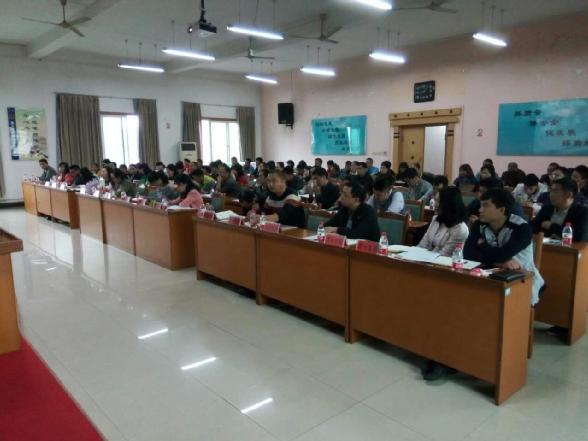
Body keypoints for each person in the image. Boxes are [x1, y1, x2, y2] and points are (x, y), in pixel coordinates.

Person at [464, 188, 544, 307]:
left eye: (485, 206)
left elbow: (502, 254)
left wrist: (483, 245)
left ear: (501, 209)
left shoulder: (521, 228)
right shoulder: (479, 224)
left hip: (523, 280)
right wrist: (499, 263)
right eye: (480, 205)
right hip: (489, 276)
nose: (480, 210)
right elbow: (468, 254)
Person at [532, 177, 588, 241]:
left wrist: (552, 226)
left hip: (568, 247)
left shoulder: (582, 212)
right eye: (551, 190)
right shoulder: (547, 208)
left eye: (555, 191)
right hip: (544, 245)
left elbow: (580, 237)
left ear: (568, 195)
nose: (551, 194)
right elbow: (532, 226)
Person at [418, 187, 469, 256]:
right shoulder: (435, 219)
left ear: (449, 205)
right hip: (426, 258)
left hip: (443, 261)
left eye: (438, 201)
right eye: (435, 200)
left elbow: (444, 255)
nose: (434, 204)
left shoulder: (460, 229)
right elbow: (422, 244)